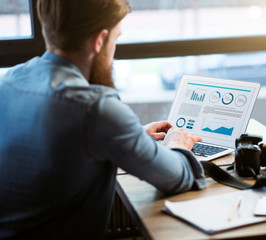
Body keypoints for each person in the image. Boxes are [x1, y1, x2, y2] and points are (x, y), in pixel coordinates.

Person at [0, 0, 206, 239]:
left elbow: (53, 148)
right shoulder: (95, 107)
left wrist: (131, 136)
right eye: (116, 39)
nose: (113, 55)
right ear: (99, 40)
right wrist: (177, 143)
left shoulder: (8, 82)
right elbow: (176, 178)